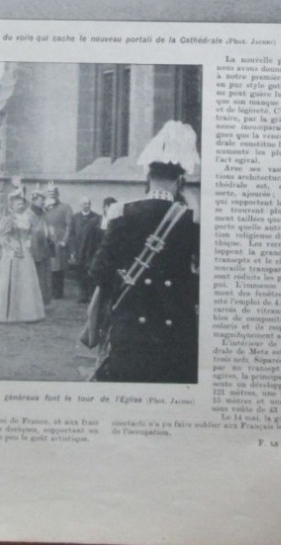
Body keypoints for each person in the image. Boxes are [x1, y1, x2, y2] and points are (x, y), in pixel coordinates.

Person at [89, 122, 201, 383]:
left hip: (131, 324)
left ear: (147, 176)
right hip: (176, 328)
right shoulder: (192, 219)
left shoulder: (121, 212)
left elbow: (99, 271)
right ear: (180, 181)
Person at [0, 189, 45, 324]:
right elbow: (2, 236)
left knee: (26, 281)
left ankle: (26, 313)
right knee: (11, 280)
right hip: (13, 253)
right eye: (18, 204)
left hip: (26, 253)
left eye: (22, 204)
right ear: (11, 205)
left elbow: (30, 232)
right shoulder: (8, 219)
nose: (21, 206)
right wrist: (11, 245)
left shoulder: (27, 218)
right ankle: (9, 312)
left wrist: (28, 241)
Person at [68, 197, 102, 303]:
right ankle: (83, 295)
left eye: (88, 203)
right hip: (79, 250)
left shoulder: (96, 217)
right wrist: (73, 249)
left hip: (91, 250)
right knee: (80, 272)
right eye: (84, 204)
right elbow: (72, 235)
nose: (86, 205)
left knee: (91, 272)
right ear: (81, 205)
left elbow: (98, 235)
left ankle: (91, 295)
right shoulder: (75, 218)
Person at [44, 185, 73, 298]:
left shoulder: (65, 207)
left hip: (59, 242)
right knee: (47, 267)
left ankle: (58, 292)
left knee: (58, 268)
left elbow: (69, 226)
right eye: (50, 194)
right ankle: (48, 291)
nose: (52, 196)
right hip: (47, 242)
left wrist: (64, 240)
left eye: (54, 194)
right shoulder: (44, 208)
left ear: (58, 194)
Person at [28, 188, 53, 307]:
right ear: (33, 200)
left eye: (43, 200)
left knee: (43, 277)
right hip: (33, 250)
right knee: (33, 277)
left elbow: (48, 229)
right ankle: (32, 303)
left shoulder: (43, 213)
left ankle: (41, 302)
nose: (42, 202)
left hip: (43, 249)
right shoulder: (28, 214)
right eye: (40, 200)